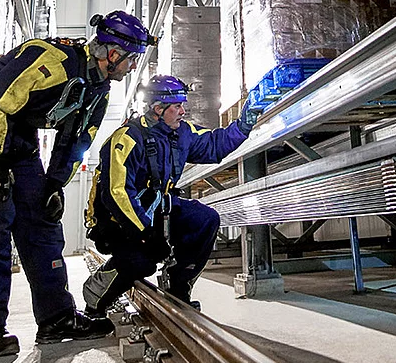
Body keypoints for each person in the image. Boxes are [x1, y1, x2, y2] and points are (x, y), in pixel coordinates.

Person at [0, 10, 155, 357]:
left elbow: (76, 141)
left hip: (18, 135)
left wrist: (54, 184)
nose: (132, 67)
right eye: (131, 59)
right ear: (113, 53)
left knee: (41, 221)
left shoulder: (98, 91)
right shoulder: (54, 60)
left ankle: (56, 318)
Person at [81, 75, 262, 315]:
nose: (183, 111)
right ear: (158, 109)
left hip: (153, 209)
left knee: (204, 219)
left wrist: (244, 125)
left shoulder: (180, 133)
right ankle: (95, 298)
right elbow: (117, 193)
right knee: (141, 262)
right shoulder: (127, 138)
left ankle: (178, 287)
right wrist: (146, 235)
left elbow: (213, 144)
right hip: (118, 220)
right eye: (177, 106)